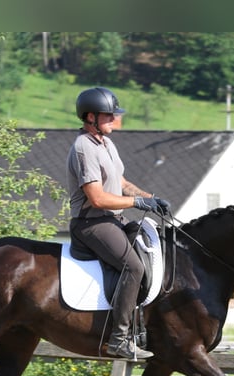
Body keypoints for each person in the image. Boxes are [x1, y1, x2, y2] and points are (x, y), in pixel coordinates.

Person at [66, 86, 170, 360]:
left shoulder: (107, 144)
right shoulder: (83, 148)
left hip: (113, 219)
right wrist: (138, 204)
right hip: (91, 223)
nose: (114, 119)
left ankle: (143, 328)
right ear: (90, 117)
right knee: (132, 266)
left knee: (149, 249)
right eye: (108, 115)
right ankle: (120, 338)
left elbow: (121, 183)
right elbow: (97, 198)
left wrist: (152, 198)